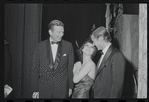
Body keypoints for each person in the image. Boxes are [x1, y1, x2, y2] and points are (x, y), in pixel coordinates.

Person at [31, 20, 74, 98]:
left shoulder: (68, 46)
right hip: (43, 89)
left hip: (62, 89)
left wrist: (70, 87)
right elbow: (35, 69)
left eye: (62, 32)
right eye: (58, 32)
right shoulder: (39, 46)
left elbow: (70, 68)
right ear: (50, 32)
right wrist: (35, 89)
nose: (61, 34)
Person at [91, 26, 126, 98]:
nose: (93, 44)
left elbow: (117, 87)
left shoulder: (117, 55)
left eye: (94, 41)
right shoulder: (103, 54)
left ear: (100, 39)